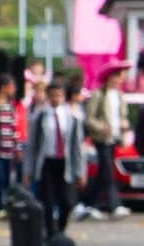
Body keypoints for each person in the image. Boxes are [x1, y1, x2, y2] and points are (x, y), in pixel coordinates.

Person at [25, 77, 86, 235]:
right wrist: (28, 170)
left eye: (59, 95)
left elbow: (78, 146)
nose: (55, 99)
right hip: (47, 163)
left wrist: (81, 172)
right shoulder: (40, 117)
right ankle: (51, 232)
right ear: (47, 96)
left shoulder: (72, 117)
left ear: (64, 96)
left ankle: (61, 227)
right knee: (47, 201)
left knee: (67, 201)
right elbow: (32, 146)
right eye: (52, 95)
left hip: (65, 163)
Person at [78, 61, 133, 219]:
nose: (119, 80)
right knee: (108, 172)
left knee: (104, 172)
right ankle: (114, 205)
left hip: (115, 138)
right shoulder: (98, 95)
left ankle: (89, 204)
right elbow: (89, 118)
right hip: (102, 138)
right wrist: (102, 127)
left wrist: (124, 125)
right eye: (117, 76)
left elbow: (123, 116)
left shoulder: (119, 96)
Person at [0, 74, 22, 215]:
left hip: (9, 150)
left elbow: (14, 129)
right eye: (11, 86)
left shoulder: (11, 107)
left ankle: (6, 205)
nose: (13, 89)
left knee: (8, 179)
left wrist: (17, 148)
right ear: (3, 87)